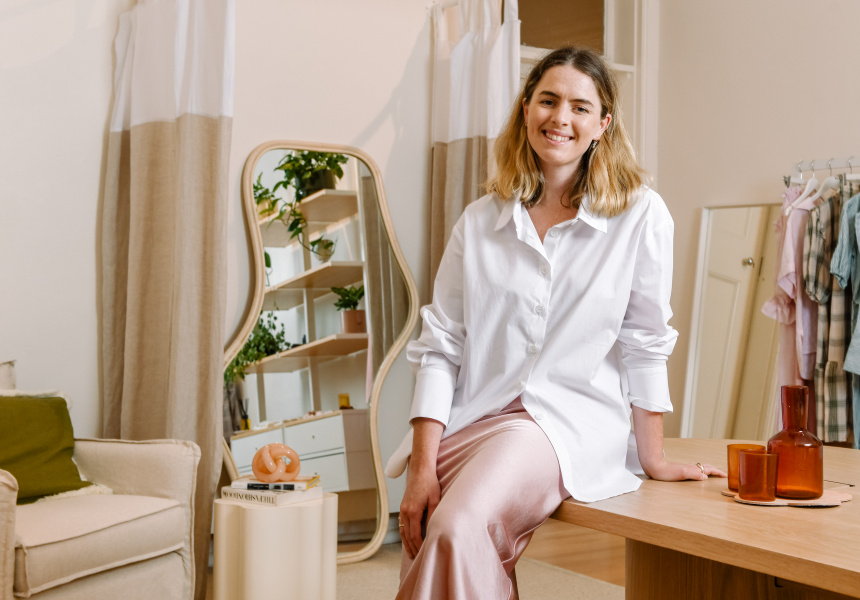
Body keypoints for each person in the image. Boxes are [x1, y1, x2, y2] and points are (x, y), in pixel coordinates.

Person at [384, 46, 727, 599]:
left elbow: (645, 341)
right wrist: (423, 464)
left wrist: (654, 457)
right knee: (427, 523)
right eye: (548, 100)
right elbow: (442, 345)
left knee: (457, 526)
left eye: (579, 107)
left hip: (562, 424)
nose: (560, 117)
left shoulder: (640, 215)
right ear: (526, 110)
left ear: (602, 125)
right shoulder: (479, 221)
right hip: (475, 417)